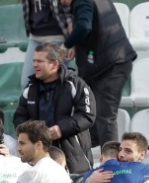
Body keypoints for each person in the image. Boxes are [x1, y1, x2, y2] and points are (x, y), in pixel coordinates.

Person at [60, 0, 135, 148]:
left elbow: (83, 26)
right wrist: (76, 43)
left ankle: (110, 163)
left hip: (112, 64)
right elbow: (92, 27)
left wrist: (67, 44)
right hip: (102, 64)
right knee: (91, 118)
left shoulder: (81, 2)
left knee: (105, 117)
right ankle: (86, 158)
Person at [14, 42, 96, 174]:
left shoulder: (75, 84)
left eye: (40, 61)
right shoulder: (30, 89)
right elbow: (19, 117)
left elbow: (87, 115)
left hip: (73, 158)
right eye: (34, 61)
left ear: (55, 64)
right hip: (39, 157)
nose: (34, 65)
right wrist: (33, 133)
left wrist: (61, 129)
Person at [19, 0, 72, 88]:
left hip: (57, 37)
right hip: (35, 37)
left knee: (55, 84)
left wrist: (70, 43)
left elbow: (70, 15)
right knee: (27, 83)